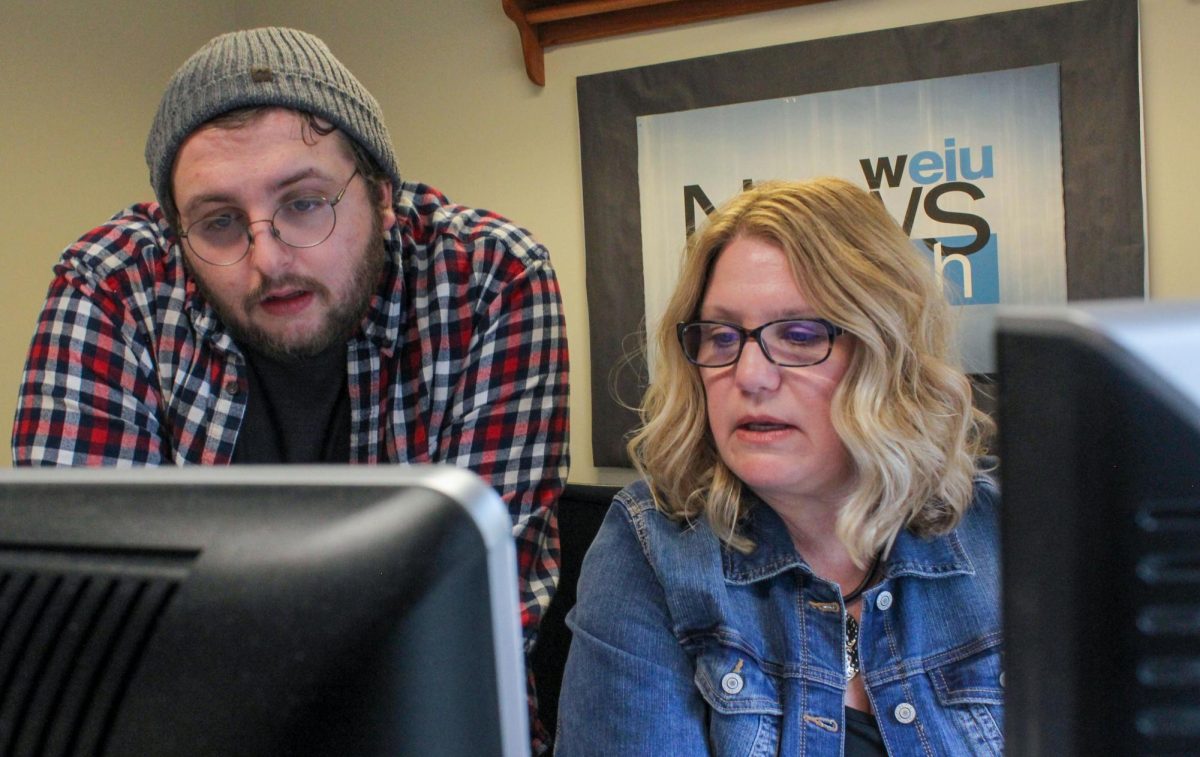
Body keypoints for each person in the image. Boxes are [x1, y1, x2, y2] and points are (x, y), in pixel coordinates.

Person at [11, 27, 568, 751]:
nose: (265, 259)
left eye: (305, 203)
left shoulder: (492, 281)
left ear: (383, 195)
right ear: (176, 235)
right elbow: (79, 626)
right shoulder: (111, 285)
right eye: (217, 222)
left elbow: (472, 626)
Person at [557, 178, 1000, 755]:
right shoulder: (653, 546)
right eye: (720, 336)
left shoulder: (1009, 530)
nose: (749, 376)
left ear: (884, 351)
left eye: (797, 335)